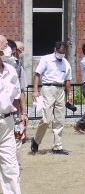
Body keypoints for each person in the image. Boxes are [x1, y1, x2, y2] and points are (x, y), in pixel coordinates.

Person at [31, 41, 73, 155]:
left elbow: (68, 80)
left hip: (60, 90)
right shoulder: (46, 59)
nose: (62, 55)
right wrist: (35, 90)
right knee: (46, 119)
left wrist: (69, 95)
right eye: (60, 52)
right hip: (48, 88)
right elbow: (37, 74)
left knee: (59, 119)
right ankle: (36, 140)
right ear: (55, 49)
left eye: (64, 53)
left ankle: (57, 146)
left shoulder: (66, 63)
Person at [0, 35, 23, 194]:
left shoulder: (11, 70)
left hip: (7, 123)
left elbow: (16, 97)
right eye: (4, 45)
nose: (8, 48)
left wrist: (19, 120)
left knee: (11, 167)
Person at [7, 40, 28, 168]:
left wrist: (24, 113)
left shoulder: (18, 67)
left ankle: (16, 164)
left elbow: (20, 91)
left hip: (14, 113)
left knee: (16, 138)